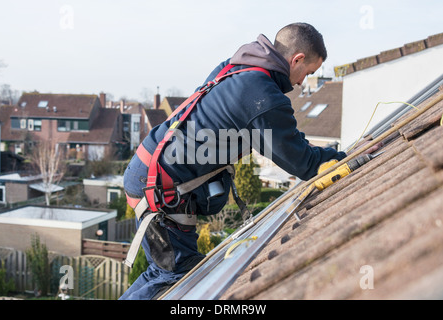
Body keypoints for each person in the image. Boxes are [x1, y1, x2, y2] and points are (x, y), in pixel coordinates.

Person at [120, 22, 349, 300]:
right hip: (159, 186)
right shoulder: (261, 95)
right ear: (297, 59)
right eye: (308, 72)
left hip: (149, 169)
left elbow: (279, 134)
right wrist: (340, 159)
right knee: (179, 276)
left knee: (165, 272)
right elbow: (302, 163)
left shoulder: (236, 67)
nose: (301, 82)